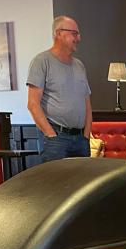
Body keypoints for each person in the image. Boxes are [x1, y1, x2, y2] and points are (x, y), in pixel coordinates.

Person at [27, 16, 92, 163]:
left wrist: (86, 135)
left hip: (81, 139)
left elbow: (87, 105)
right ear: (58, 33)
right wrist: (51, 135)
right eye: (74, 33)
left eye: (78, 34)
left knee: (82, 184)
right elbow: (33, 104)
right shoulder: (41, 61)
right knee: (55, 184)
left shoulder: (79, 66)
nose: (78, 38)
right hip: (56, 139)